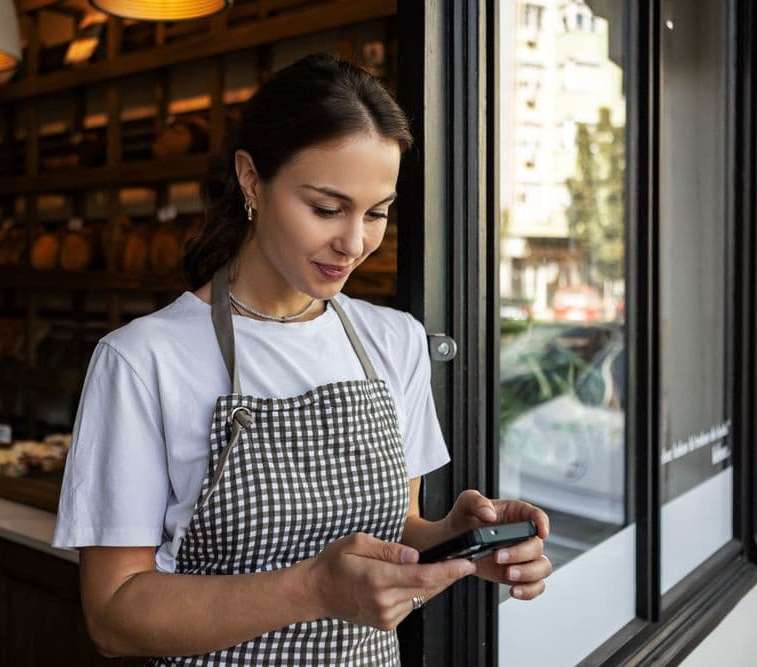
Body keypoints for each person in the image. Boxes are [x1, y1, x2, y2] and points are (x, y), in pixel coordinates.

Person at [52, 53, 552, 665]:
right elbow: (114, 615)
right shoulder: (142, 361)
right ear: (252, 180)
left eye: (376, 213)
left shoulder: (393, 342)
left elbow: (397, 531)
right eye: (326, 208)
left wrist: (457, 540)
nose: (354, 243)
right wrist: (312, 588)